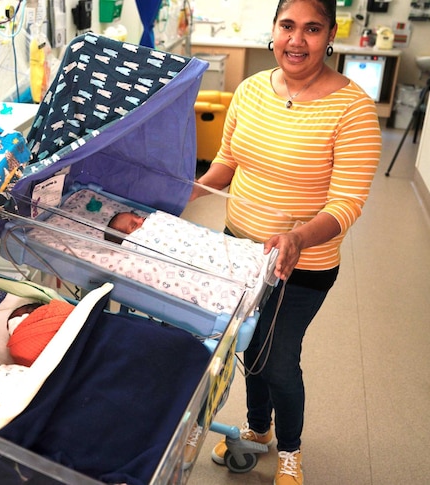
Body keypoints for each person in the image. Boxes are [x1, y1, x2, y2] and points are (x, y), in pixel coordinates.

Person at [189, 1, 382, 483]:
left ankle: (291, 450)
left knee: (278, 360)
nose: (297, 40)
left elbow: (346, 206)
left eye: (312, 29)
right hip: (240, 248)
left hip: (304, 263)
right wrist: (186, 189)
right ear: (274, 30)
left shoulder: (353, 109)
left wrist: (296, 237)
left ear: (330, 33)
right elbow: (227, 162)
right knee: (250, 350)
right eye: (288, 26)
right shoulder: (251, 90)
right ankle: (258, 430)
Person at [105, 210, 272, 284]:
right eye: (134, 226)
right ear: (126, 238)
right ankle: (245, 272)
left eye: (138, 217)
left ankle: (251, 258)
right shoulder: (135, 244)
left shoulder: (156, 221)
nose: (142, 221)